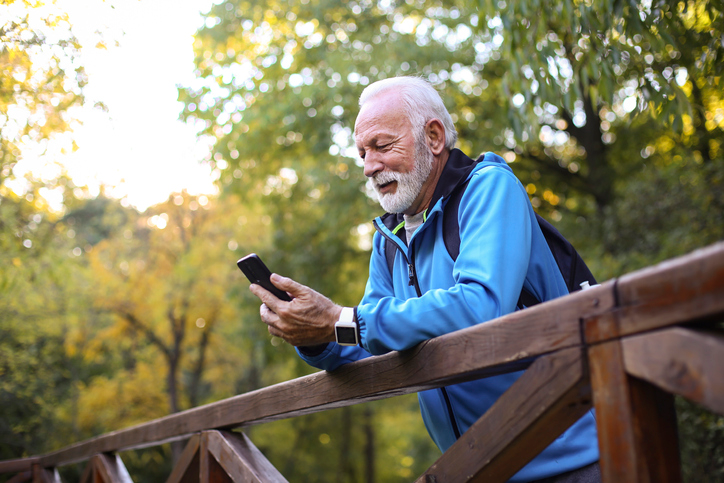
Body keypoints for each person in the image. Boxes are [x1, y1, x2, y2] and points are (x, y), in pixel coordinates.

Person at [249, 76, 601, 482]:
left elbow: (480, 305)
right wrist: (314, 336)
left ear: (433, 137)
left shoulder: (488, 187)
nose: (368, 167)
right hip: (475, 468)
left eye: (381, 146)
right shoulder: (389, 240)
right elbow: (369, 340)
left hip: (572, 463)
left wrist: (341, 321)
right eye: (362, 153)